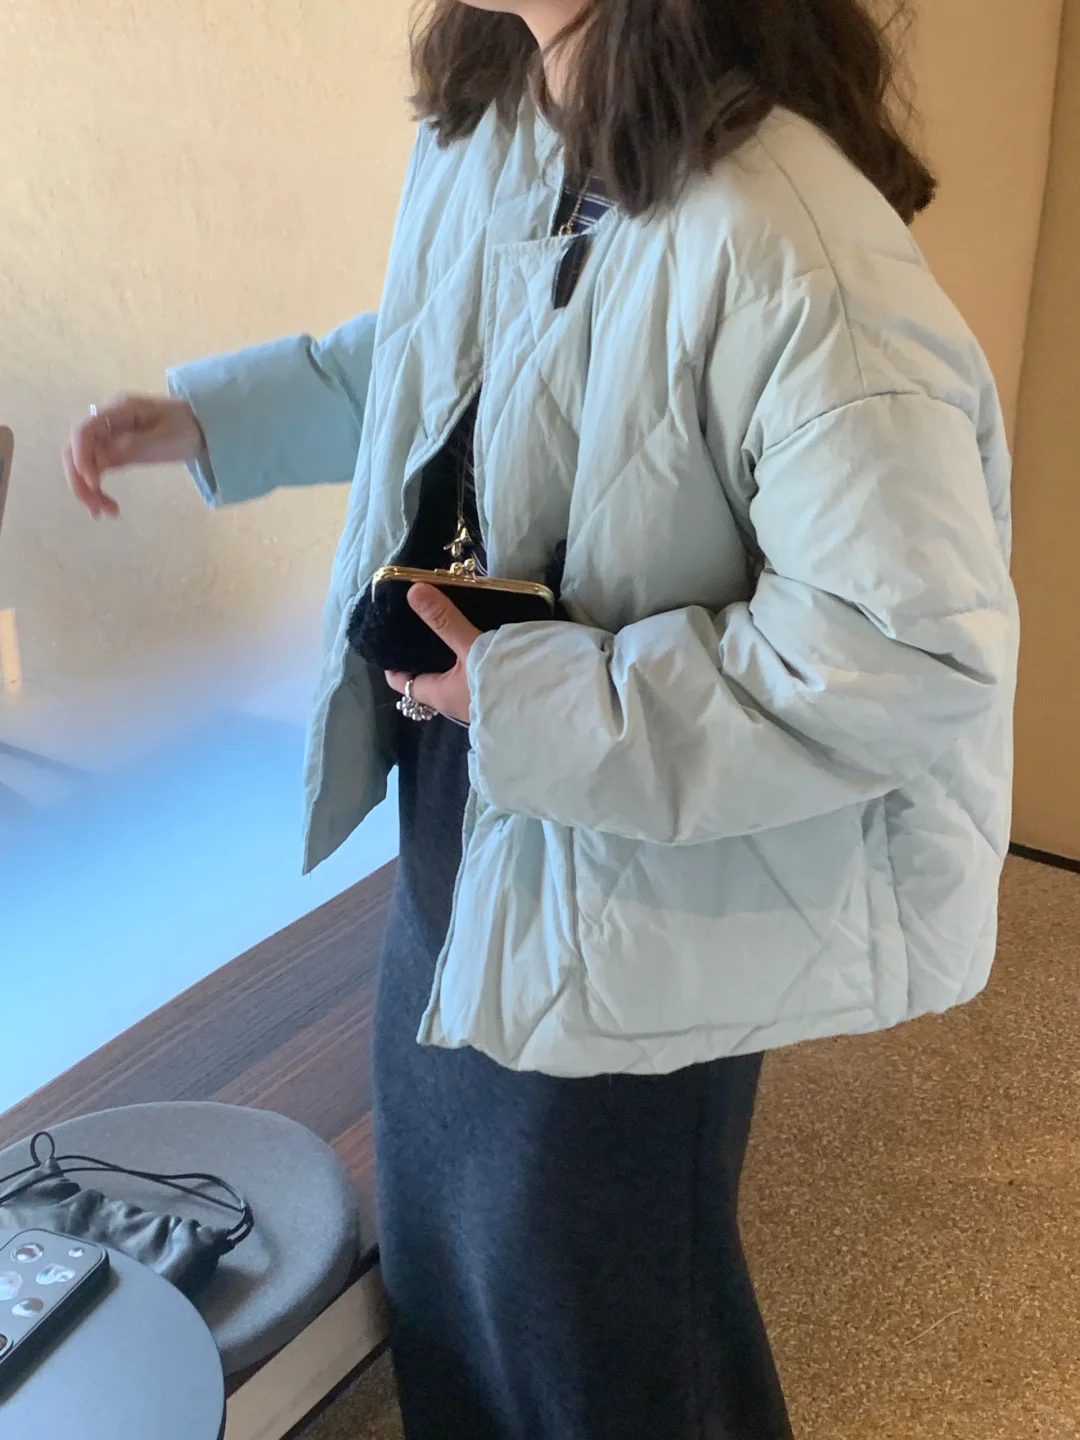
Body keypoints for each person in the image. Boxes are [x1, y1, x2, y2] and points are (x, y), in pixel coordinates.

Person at [64, 0, 1020, 1435]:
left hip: (645, 862)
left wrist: (537, 698)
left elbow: (902, 651)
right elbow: (438, 350)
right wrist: (221, 419)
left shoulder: (790, 240)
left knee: (598, 1332)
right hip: (481, 802)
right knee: (455, 1284)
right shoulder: (505, 119)